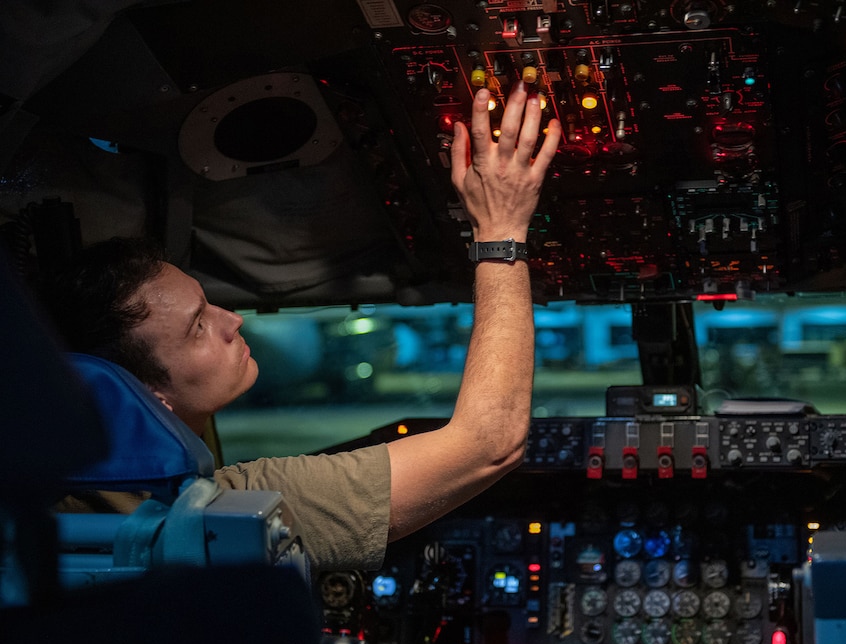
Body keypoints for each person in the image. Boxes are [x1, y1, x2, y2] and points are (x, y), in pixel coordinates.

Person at [40, 83, 561, 571]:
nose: (233, 319)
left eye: (210, 304)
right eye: (198, 327)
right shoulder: (223, 512)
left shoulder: (45, 507)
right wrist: (501, 230)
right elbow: (489, 442)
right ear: (147, 396)